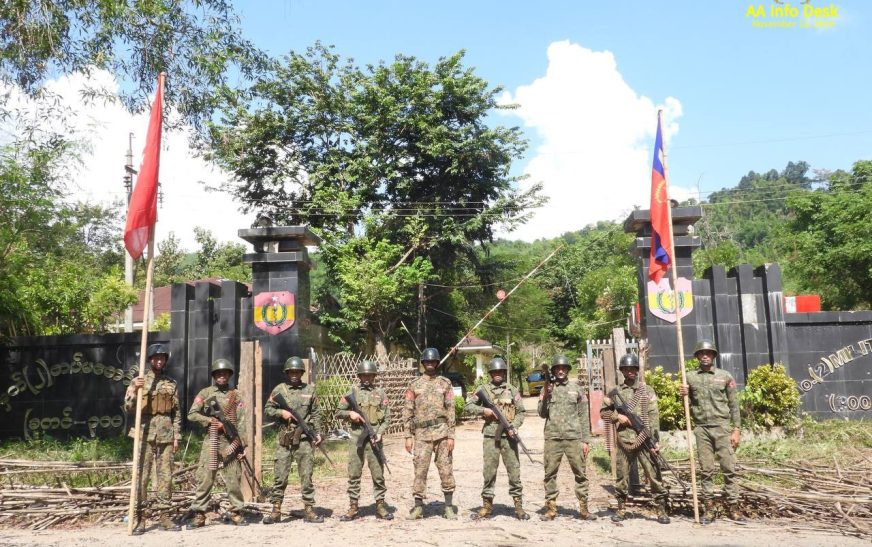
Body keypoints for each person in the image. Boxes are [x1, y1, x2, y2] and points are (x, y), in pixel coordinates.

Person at [679, 340, 744, 523]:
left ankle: (733, 507)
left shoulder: (725, 376)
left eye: (709, 353)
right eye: (702, 353)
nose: (705, 355)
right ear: (698, 356)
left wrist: (736, 430)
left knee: (728, 468)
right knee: (706, 470)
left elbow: (734, 405)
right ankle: (708, 509)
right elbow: (686, 406)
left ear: (714, 356)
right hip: (702, 429)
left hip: (722, 427)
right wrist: (684, 394)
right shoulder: (690, 378)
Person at [601, 353, 670, 524]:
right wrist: (617, 417)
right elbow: (603, 413)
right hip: (625, 440)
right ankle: (621, 509)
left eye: (632, 368)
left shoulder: (647, 390)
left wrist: (655, 440)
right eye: (626, 369)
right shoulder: (615, 392)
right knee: (621, 476)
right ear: (622, 371)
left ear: (637, 370)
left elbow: (654, 415)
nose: (630, 371)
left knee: (654, 474)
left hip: (644, 439)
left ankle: (661, 510)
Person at [125, 343, 182, 534]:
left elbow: (177, 413)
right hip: (145, 432)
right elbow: (128, 408)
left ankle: (165, 516)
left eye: (162, 358)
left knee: (166, 475)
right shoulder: (138, 381)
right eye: (156, 358)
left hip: (166, 433)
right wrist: (135, 391)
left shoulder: (171, 383)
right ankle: (140, 518)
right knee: (142, 475)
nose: (159, 361)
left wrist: (177, 435)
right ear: (150, 360)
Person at [262, 356, 325, 524]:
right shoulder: (279, 390)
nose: (294, 374)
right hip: (285, 439)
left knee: (306, 475)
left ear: (302, 373)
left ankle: (309, 510)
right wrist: (281, 413)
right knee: (280, 476)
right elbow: (268, 408)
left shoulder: (310, 390)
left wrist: (318, 433)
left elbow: (317, 414)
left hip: (304, 439)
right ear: (287, 373)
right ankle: (276, 510)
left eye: (297, 371)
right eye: (291, 372)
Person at [465, 357, 529, 520]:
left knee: (514, 471)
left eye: (501, 371)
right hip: (490, 437)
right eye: (495, 371)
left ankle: (518, 506)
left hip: (509, 437)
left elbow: (521, 411)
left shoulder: (512, 390)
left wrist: (514, 426)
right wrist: (483, 411)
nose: (498, 374)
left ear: (504, 373)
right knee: (489, 472)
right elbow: (468, 406)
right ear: (491, 373)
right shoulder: (483, 390)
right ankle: (487, 505)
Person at [187, 358, 248, 527]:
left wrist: (244, 445)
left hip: (231, 441)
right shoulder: (205, 393)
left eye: (225, 373)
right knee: (206, 477)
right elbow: (192, 414)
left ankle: (236, 511)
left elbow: (242, 421)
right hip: (212, 439)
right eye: (219, 374)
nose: (222, 376)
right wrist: (211, 421)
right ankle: (199, 513)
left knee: (233, 478)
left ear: (229, 375)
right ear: (214, 376)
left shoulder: (236, 395)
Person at [538, 354, 596, 521]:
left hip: (573, 438)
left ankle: (584, 509)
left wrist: (585, 440)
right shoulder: (547, 388)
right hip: (553, 438)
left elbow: (583, 416)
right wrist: (547, 394)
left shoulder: (577, 389)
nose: (561, 370)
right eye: (558, 368)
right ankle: (551, 509)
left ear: (567, 370)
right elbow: (542, 414)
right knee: (549, 474)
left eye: (563, 368)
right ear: (554, 371)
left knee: (580, 473)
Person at [335, 360, 394, 521]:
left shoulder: (381, 393)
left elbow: (387, 417)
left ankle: (380, 505)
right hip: (356, 437)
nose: (367, 378)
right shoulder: (352, 392)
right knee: (354, 473)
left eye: (369, 375)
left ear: (374, 376)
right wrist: (350, 415)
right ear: (359, 376)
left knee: (378, 474)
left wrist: (380, 433)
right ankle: (353, 506)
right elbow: (338, 412)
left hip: (374, 437)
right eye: (364, 375)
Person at [402, 347, 457, 520]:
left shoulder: (445, 383)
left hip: (441, 433)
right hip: (421, 435)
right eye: (427, 361)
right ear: (423, 363)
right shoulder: (414, 385)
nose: (430, 364)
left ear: (437, 363)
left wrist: (451, 435)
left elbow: (451, 410)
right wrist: (407, 436)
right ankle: (418, 507)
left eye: (433, 361)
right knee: (420, 471)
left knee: (446, 470)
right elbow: (407, 410)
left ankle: (448, 506)